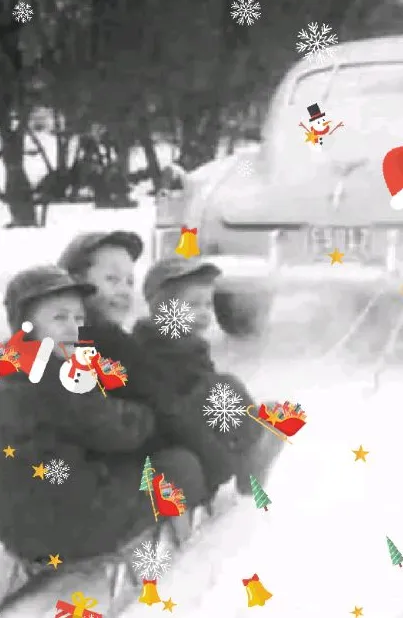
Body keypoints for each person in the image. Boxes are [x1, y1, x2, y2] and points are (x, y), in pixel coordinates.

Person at [0, 263, 209, 614]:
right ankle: (181, 546)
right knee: (177, 464)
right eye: (59, 317)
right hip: (77, 525)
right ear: (27, 326)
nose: (73, 328)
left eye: (78, 318)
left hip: (15, 531)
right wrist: (146, 415)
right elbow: (118, 430)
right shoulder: (60, 375)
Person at [58, 236, 283, 503]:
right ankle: (247, 453)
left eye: (129, 282)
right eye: (112, 279)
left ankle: (246, 446)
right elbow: (164, 410)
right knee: (215, 396)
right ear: (75, 283)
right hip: (117, 465)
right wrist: (216, 464)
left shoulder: (96, 339)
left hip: (106, 458)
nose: (123, 291)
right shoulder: (108, 345)